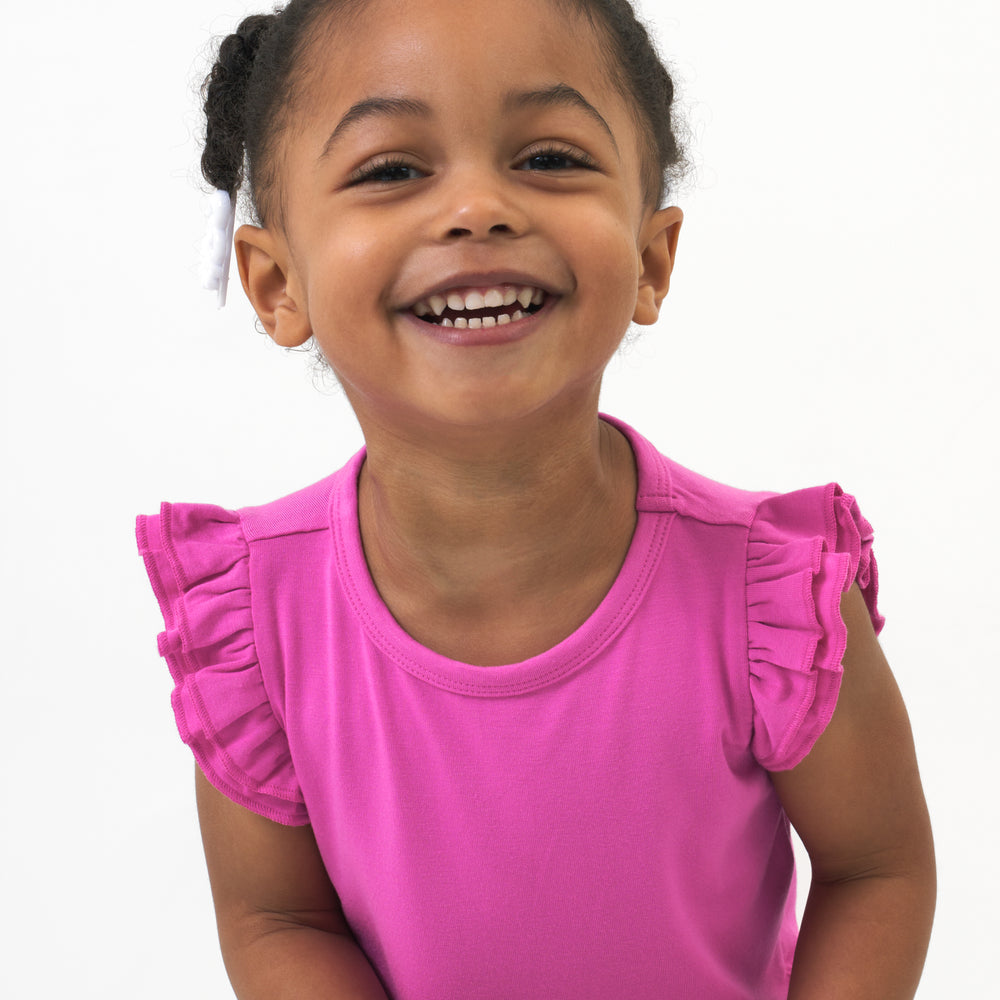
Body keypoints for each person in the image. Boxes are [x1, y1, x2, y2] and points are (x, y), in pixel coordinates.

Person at [135, 0, 936, 996]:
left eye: (549, 159)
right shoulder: (253, 623)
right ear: (275, 285)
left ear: (650, 258)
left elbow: (877, 869)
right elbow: (276, 915)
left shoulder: (768, 597)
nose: (477, 207)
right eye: (392, 169)